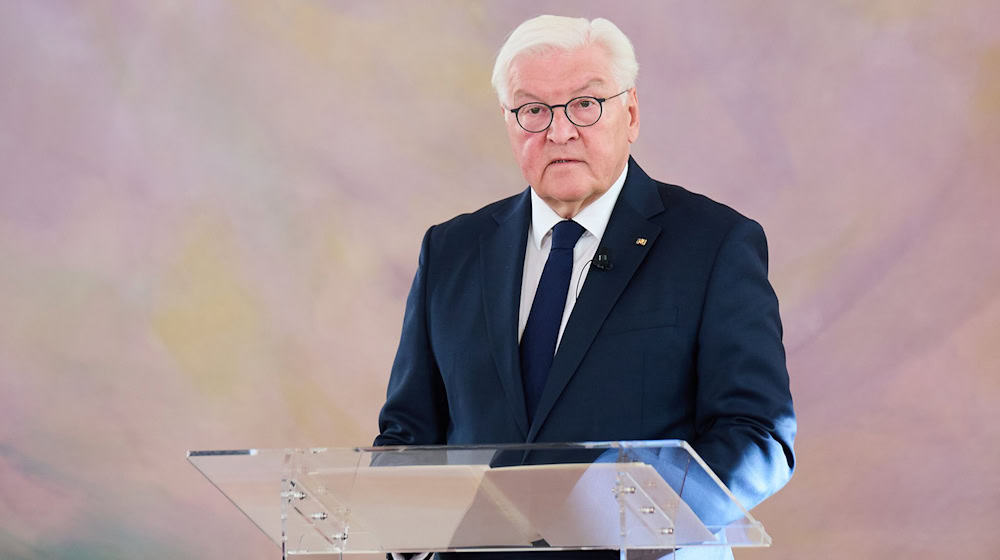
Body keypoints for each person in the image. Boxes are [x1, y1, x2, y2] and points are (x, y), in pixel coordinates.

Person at [374, 14, 795, 560]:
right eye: (533, 110)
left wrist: (612, 516)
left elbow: (759, 435)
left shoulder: (714, 244)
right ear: (509, 121)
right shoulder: (452, 250)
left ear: (632, 112)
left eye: (585, 104)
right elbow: (408, 436)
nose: (559, 130)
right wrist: (405, 531)